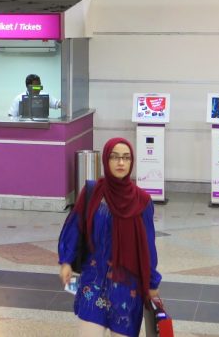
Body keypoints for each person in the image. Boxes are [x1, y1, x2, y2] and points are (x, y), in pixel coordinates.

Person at [58, 137, 161, 337]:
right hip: (94, 280)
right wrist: (66, 261)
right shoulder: (92, 192)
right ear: (106, 160)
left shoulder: (142, 201)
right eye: (114, 157)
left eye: (126, 158)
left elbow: (148, 246)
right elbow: (75, 228)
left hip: (128, 288)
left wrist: (152, 283)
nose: (121, 163)